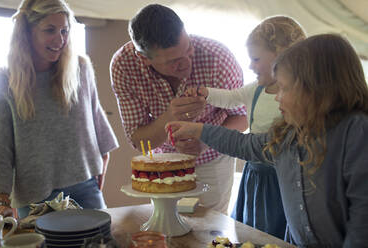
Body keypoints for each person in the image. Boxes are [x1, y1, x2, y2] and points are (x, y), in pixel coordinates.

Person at [167, 34, 368, 247]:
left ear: (316, 89)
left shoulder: (356, 132)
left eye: (284, 88)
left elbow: (363, 218)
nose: (277, 96)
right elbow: (245, 145)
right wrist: (198, 130)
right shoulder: (290, 134)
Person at [110, 4, 247, 213]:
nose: (186, 63)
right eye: (173, 61)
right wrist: (169, 116)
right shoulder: (124, 65)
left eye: (188, 49)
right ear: (144, 58)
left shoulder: (217, 58)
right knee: (166, 226)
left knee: (211, 228)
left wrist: (207, 139)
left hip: (213, 158)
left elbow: (243, 118)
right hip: (162, 161)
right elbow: (139, 141)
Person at [185, 16, 306, 239]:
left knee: (277, 232)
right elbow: (231, 98)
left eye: (256, 59)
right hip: (255, 173)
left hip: (283, 177)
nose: (250, 65)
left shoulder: (300, 95)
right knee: (252, 229)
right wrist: (206, 93)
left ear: (281, 56)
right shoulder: (256, 90)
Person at [0, 0, 119, 218]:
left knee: (100, 242)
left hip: (85, 184)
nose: (60, 39)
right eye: (50, 30)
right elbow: (1, 146)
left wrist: (104, 154)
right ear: (27, 32)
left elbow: (95, 115)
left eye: (64, 30)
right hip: (34, 194)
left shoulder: (80, 67)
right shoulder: (5, 80)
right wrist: (1, 197)